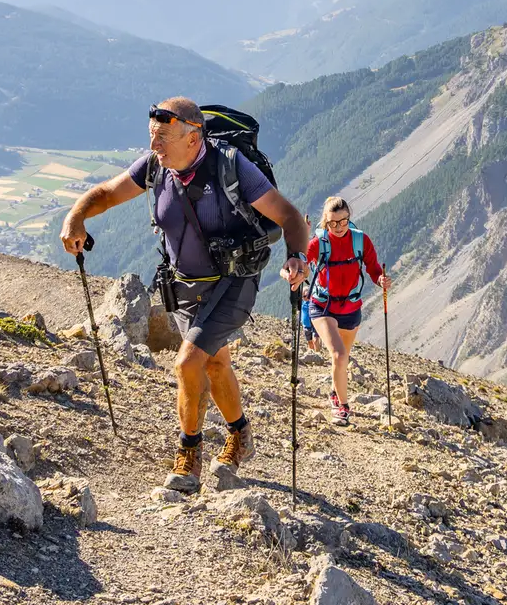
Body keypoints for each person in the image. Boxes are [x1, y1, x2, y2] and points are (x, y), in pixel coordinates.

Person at [60, 96, 310, 490]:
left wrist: (296, 256)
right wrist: (76, 216)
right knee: (213, 364)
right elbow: (107, 194)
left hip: (234, 281)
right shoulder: (155, 168)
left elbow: (290, 216)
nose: (154, 146)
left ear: (194, 137)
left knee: (187, 363)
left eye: (163, 137)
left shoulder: (230, 167)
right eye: (152, 136)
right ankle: (240, 435)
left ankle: (188, 454)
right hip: (184, 286)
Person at [303, 196, 388, 426]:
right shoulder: (318, 243)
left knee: (342, 359)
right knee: (339, 355)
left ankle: (334, 392)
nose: (339, 227)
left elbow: (372, 267)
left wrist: (380, 279)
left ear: (349, 219)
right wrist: (294, 271)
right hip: (322, 306)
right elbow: (302, 260)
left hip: (351, 309)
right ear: (325, 222)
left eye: (343, 221)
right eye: (333, 223)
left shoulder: (361, 241)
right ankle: (341, 406)